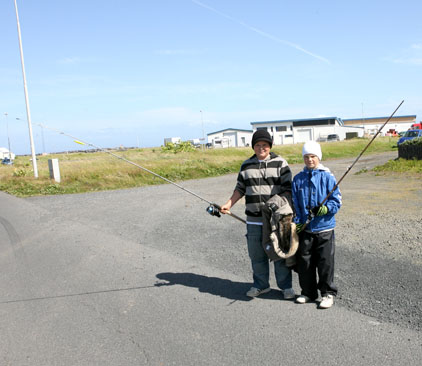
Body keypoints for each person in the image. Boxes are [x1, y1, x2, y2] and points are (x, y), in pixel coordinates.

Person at [220, 130, 295, 299]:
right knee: (257, 255)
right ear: (253, 146)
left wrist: (275, 203)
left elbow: (288, 190)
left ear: (270, 146)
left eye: (265, 145)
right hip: (254, 220)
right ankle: (261, 285)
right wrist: (228, 204)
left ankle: (286, 287)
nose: (261, 148)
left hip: (276, 220)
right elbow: (240, 189)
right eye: (258, 145)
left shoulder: (280, 163)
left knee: (280, 254)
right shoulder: (246, 165)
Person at [292, 141, 342, 309]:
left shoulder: (328, 176)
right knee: (305, 262)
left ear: (318, 157)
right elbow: (295, 204)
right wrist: (297, 222)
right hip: (305, 229)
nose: (310, 160)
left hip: (324, 228)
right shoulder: (298, 179)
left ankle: (327, 293)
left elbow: (337, 201)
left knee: (325, 262)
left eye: (313, 156)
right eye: (306, 157)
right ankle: (308, 292)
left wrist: (326, 209)